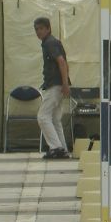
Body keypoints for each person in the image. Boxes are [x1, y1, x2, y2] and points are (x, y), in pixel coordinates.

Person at [35, 17, 73, 160]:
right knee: (55, 118)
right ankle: (62, 148)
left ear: (48, 28)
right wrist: (66, 82)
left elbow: (61, 62)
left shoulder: (50, 43)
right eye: (36, 29)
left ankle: (55, 148)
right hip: (59, 84)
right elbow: (65, 63)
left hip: (55, 85)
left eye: (41, 28)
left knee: (43, 116)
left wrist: (64, 83)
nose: (38, 32)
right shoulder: (52, 42)